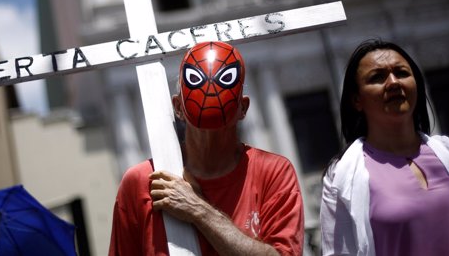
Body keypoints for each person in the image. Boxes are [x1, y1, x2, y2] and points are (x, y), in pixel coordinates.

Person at [109, 41, 304, 255]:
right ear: (177, 108)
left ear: (244, 108)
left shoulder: (273, 172)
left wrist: (198, 209)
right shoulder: (141, 182)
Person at [320, 38, 449, 256]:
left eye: (401, 73)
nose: (393, 82)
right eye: (377, 77)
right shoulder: (341, 177)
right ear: (356, 100)